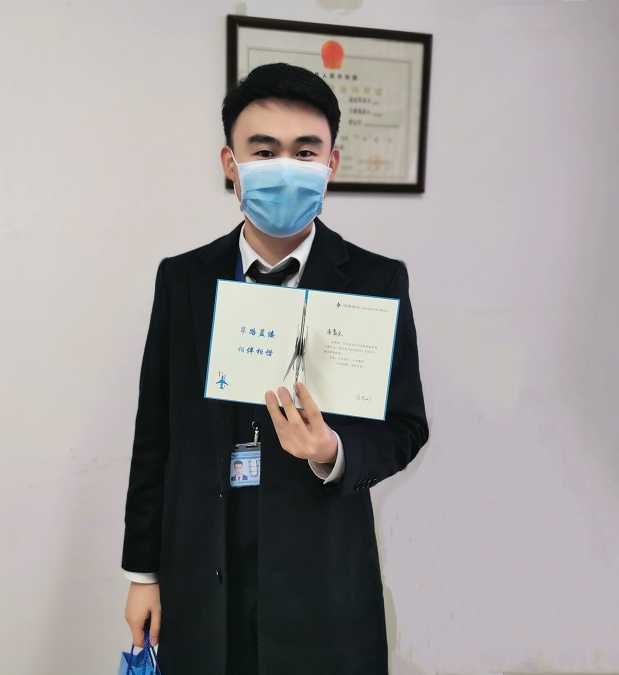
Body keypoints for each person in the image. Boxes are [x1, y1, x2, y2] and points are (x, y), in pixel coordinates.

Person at [122, 62, 428, 674]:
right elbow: (154, 434)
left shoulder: (376, 279)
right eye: (264, 151)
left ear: (331, 164)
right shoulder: (182, 279)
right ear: (230, 163)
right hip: (202, 569)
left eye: (304, 151)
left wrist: (332, 451)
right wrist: (143, 573)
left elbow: (405, 426)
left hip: (321, 577)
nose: (285, 167)